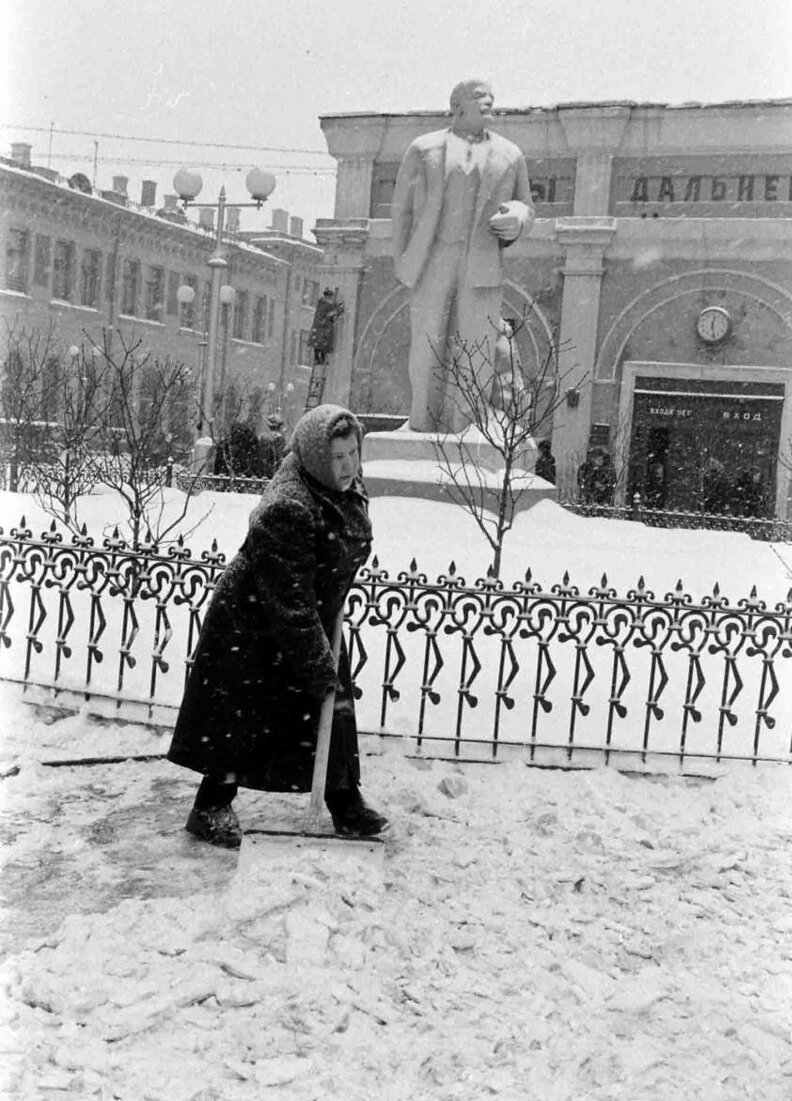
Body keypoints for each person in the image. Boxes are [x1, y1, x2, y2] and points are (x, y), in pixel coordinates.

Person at [167, 403, 388, 848]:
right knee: (245, 716)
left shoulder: (335, 485)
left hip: (312, 614)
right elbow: (287, 601)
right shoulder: (287, 507)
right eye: (338, 457)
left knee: (330, 711)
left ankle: (344, 801)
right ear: (315, 456)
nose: (348, 466)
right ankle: (209, 806)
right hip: (252, 625)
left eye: (352, 454)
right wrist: (317, 664)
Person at [392, 79, 534, 433]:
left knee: (477, 345)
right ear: (457, 105)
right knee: (428, 341)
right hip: (434, 256)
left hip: (482, 263)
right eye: (478, 97)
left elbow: (527, 206)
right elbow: (401, 210)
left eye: (491, 97)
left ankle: (464, 424)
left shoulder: (510, 155)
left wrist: (517, 218)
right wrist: (403, 260)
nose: (488, 102)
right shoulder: (424, 148)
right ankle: (422, 420)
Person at [308, 289, 344, 366]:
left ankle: (319, 359)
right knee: (323, 345)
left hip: (319, 329)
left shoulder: (321, 303)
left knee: (319, 345)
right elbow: (333, 312)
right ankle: (320, 359)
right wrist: (339, 308)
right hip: (324, 329)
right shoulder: (327, 305)